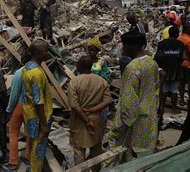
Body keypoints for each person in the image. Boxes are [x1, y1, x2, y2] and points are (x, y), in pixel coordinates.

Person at [108, 31, 159, 162]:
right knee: (145, 158)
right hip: (151, 118)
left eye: (124, 45)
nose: (122, 49)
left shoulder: (132, 68)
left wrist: (120, 127)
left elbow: (128, 102)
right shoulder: (151, 63)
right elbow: (156, 89)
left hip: (136, 124)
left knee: (131, 160)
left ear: (132, 47)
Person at [68, 56, 112, 171]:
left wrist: (86, 119)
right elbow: (108, 101)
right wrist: (93, 110)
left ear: (79, 66)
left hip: (79, 120)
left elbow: (74, 105)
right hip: (96, 119)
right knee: (96, 148)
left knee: (79, 151)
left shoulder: (74, 82)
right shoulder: (101, 81)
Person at [21, 40, 53, 172]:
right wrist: (44, 124)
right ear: (38, 53)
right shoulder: (37, 74)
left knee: (34, 144)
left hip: (29, 114)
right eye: (46, 50)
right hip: (38, 117)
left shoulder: (27, 67)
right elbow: (38, 100)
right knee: (38, 149)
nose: (48, 53)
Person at [3, 55, 32, 171]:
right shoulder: (37, 72)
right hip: (32, 106)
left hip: (20, 105)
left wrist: (9, 109)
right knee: (29, 132)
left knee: (13, 133)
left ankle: (13, 162)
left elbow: (14, 94)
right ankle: (28, 156)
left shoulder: (19, 73)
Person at [155, 26, 184, 114]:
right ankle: (174, 109)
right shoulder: (180, 44)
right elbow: (182, 57)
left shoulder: (162, 44)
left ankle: (162, 107)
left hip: (164, 70)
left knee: (164, 89)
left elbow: (157, 57)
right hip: (176, 70)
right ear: (176, 34)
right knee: (174, 90)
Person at [178, 24, 190, 106]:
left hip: (180, 63)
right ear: (188, 30)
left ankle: (182, 100)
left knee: (181, 83)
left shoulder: (179, 38)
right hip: (188, 64)